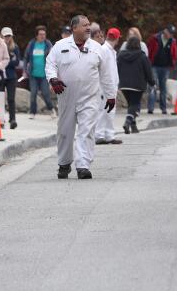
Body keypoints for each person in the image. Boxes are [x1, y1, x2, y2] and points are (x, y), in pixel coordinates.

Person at [46, 15, 117, 179]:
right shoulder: (60, 46)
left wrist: (110, 95)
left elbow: (106, 74)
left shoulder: (97, 48)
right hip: (66, 97)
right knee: (65, 132)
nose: (88, 28)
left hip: (89, 98)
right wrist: (53, 78)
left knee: (87, 131)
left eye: (89, 25)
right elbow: (50, 64)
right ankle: (64, 163)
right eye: (84, 25)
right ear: (74, 28)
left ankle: (83, 166)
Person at [90, 24, 122, 145]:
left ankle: (108, 134)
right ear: (117, 38)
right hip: (105, 86)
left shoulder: (109, 50)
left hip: (109, 85)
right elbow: (106, 72)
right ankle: (100, 134)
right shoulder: (105, 51)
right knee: (103, 110)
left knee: (108, 111)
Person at [117, 35, 154, 134]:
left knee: (131, 105)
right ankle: (128, 121)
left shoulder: (121, 55)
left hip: (124, 84)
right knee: (134, 104)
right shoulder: (142, 56)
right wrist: (152, 82)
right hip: (138, 85)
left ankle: (133, 127)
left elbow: (117, 68)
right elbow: (148, 71)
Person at [24, 26, 55, 118]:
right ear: (36, 35)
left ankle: (51, 109)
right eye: (40, 34)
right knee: (33, 93)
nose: (42, 36)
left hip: (44, 75)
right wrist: (25, 70)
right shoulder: (32, 44)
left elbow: (53, 58)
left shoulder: (48, 44)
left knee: (46, 93)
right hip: (33, 74)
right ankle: (32, 112)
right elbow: (26, 57)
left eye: (44, 34)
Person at [147, 25, 177, 114]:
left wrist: (172, 63)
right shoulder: (155, 38)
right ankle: (150, 108)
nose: (170, 35)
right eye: (170, 33)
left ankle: (163, 108)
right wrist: (149, 62)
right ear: (165, 31)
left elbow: (174, 53)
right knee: (153, 86)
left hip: (165, 67)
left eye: (172, 34)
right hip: (154, 66)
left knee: (163, 87)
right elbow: (149, 49)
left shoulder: (172, 41)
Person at [1, 27, 21, 130]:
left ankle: (12, 119)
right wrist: (7, 62)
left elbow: (16, 62)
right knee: (0, 99)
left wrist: (5, 62)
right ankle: (0, 119)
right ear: (2, 36)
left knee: (11, 99)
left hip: (11, 76)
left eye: (9, 36)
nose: (7, 38)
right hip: (0, 76)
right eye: (5, 36)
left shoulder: (15, 47)